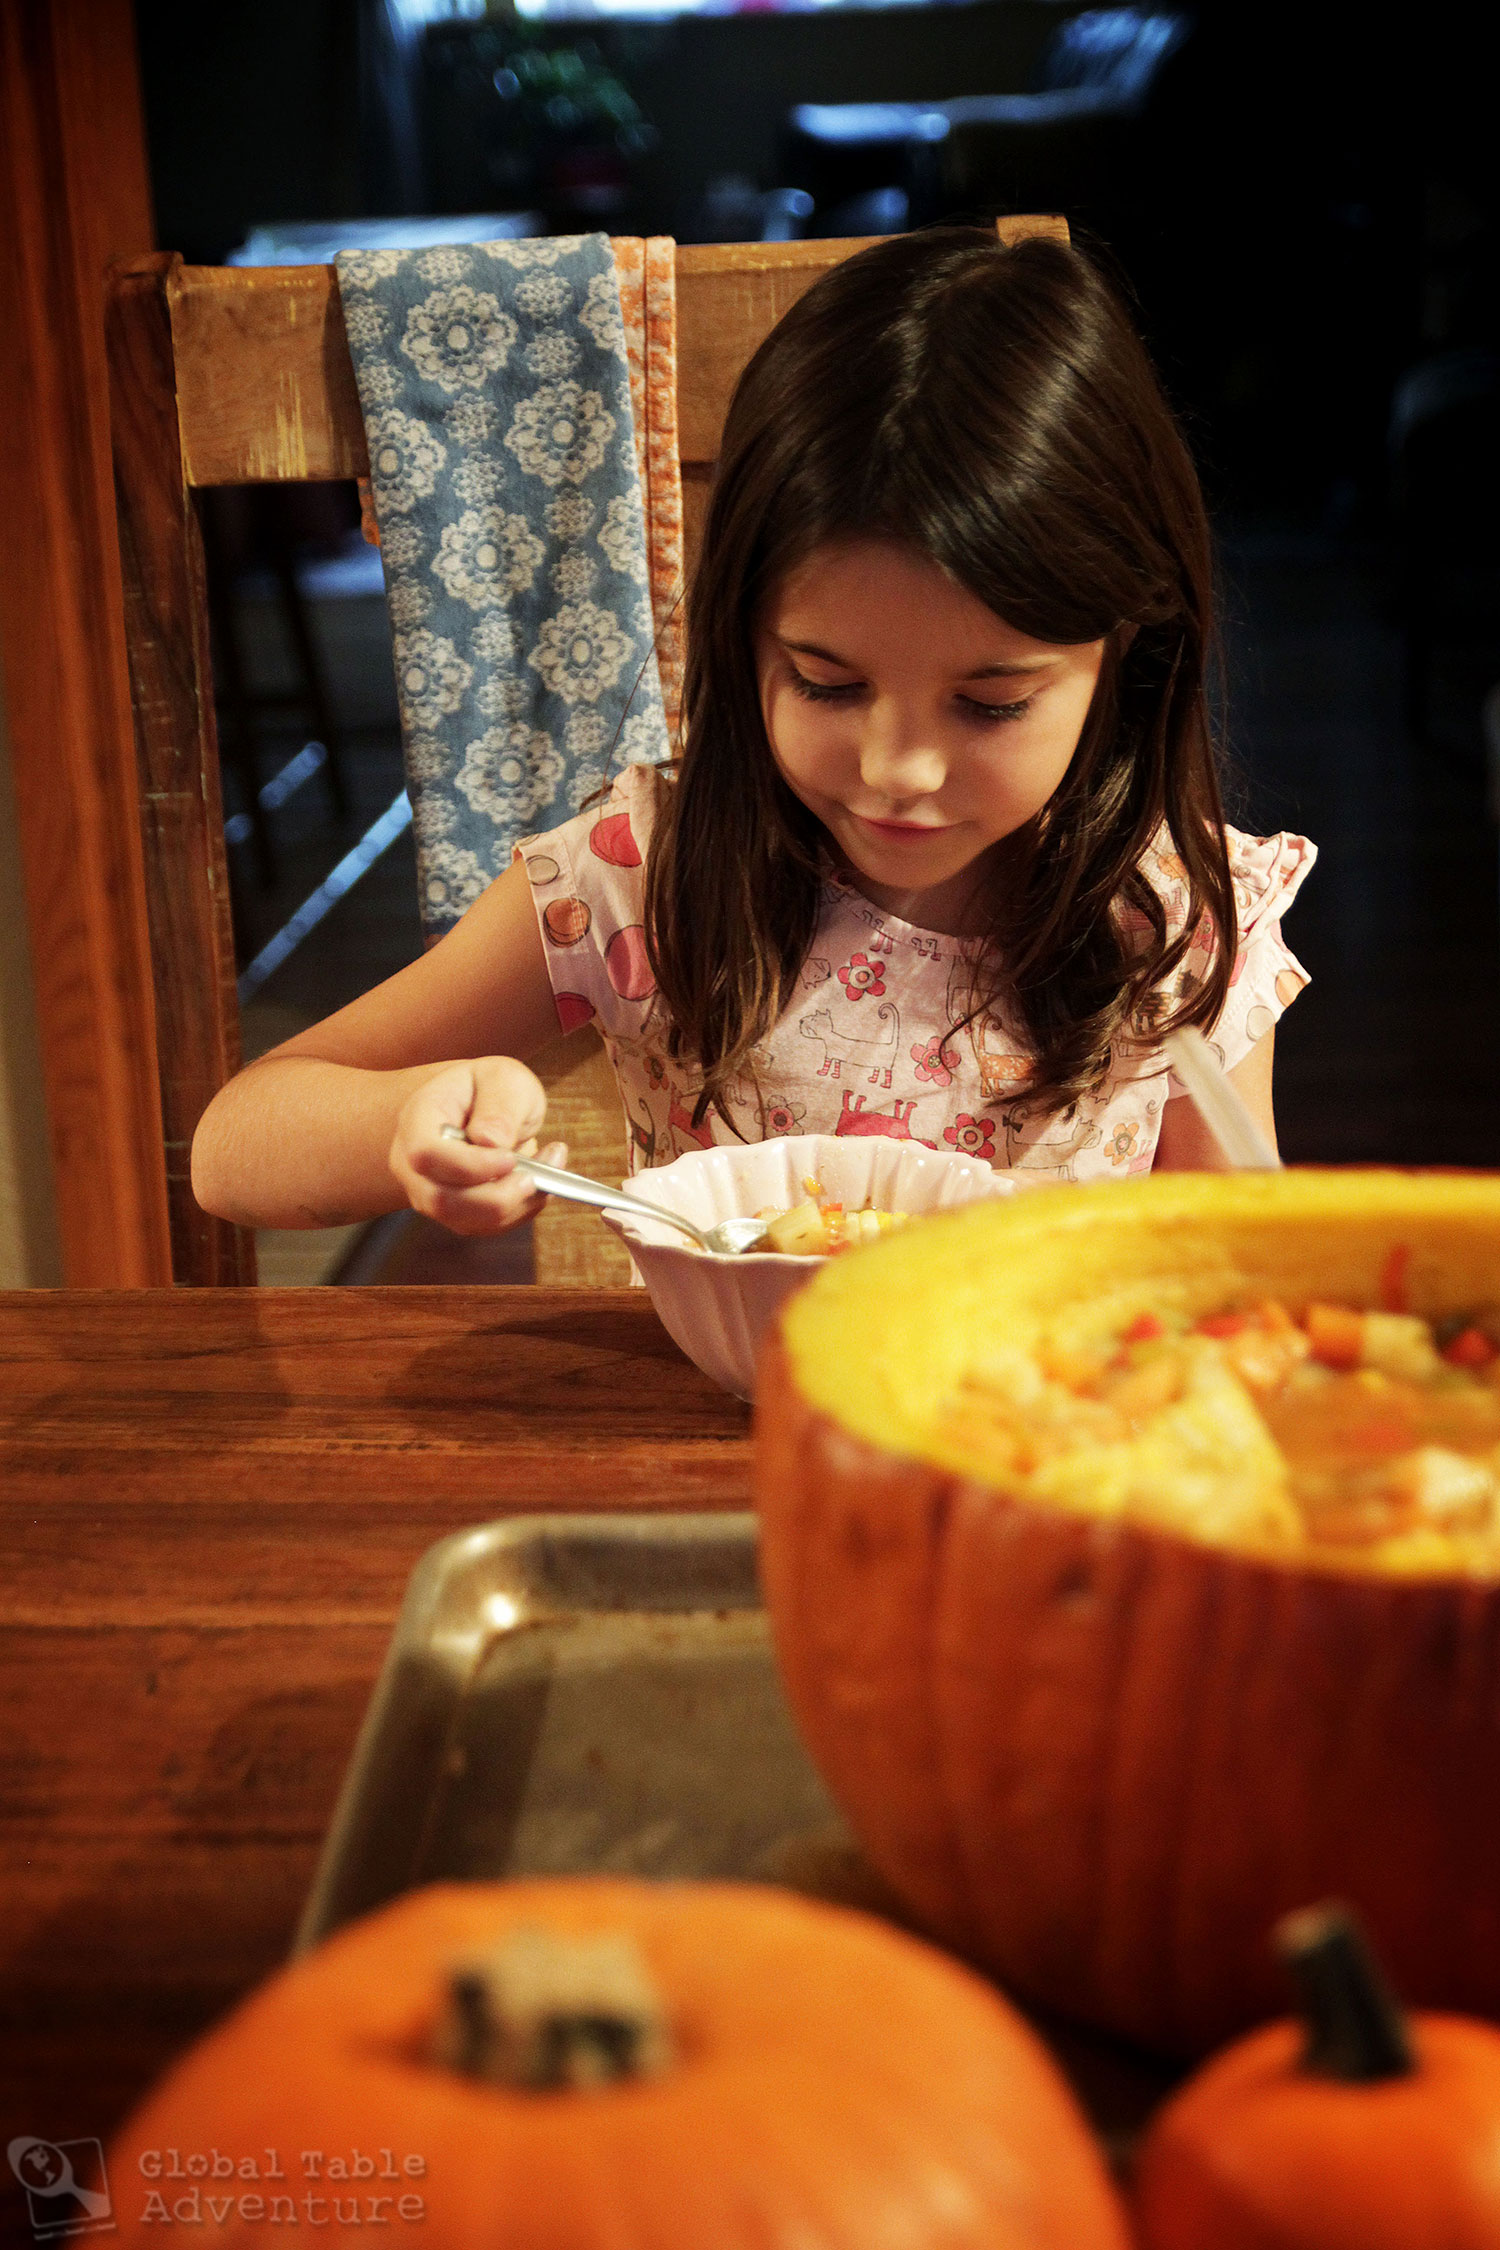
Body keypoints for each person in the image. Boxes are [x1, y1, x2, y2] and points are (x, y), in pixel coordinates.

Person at [192, 227, 1314, 1241]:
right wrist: (405, 1124)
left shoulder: (1176, 923)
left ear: (1129, 653)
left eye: (990, 704)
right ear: (745, 642)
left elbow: (1238, 1266)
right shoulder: (646, 880)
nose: (897, 769)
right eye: (826, 684)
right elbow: (237, 1143)